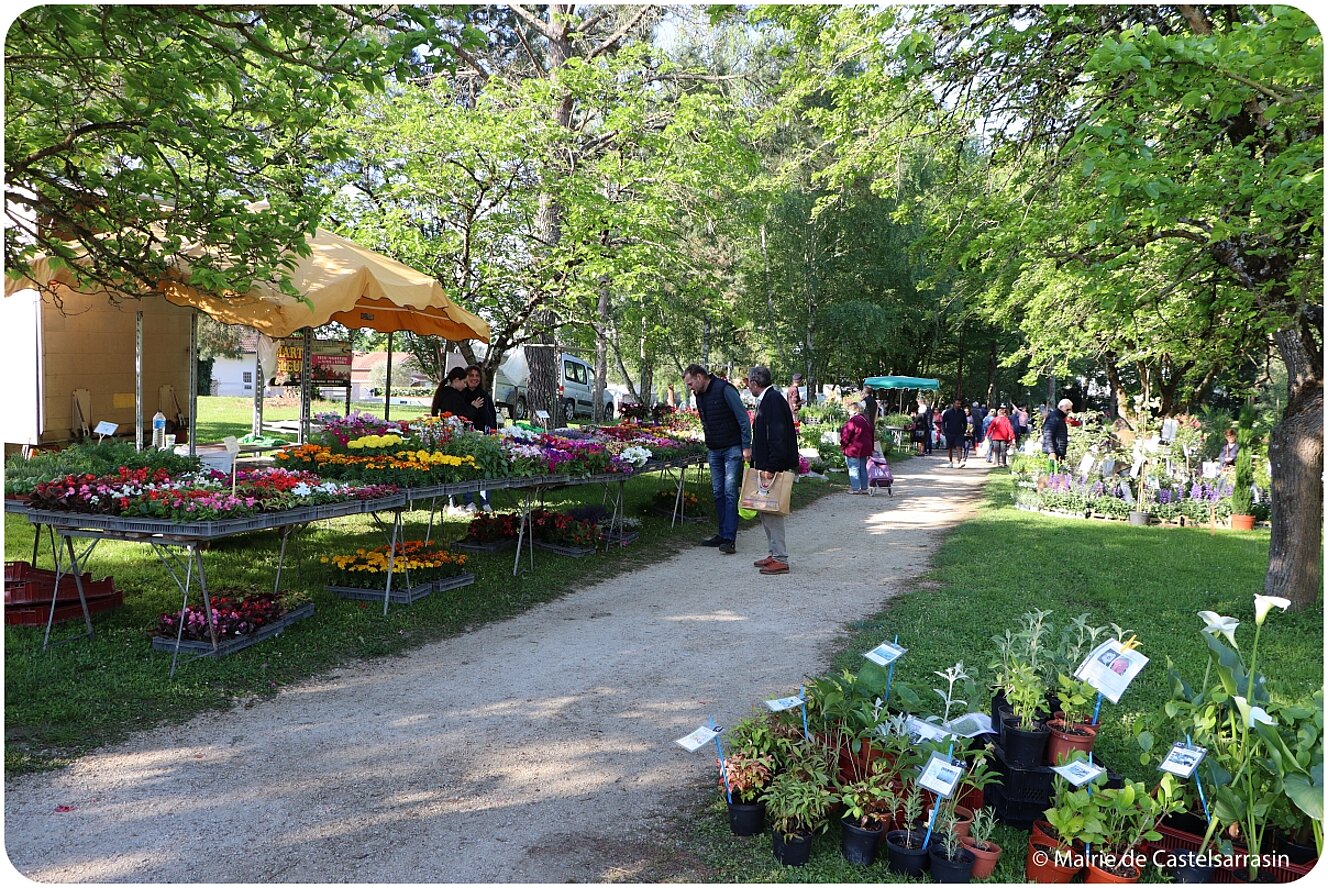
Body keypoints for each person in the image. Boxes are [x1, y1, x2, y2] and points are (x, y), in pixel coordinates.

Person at [683, 363, 752, 555]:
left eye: (690, 383)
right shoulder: (700, 396)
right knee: (717, 492)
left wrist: (746, 445)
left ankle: (729, 538)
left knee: (730, 492)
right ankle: (722, 533)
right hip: (714, 449)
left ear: (699, 377)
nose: (690, 388)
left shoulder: (724, 390)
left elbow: (743, 418)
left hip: (732, 449)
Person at [747, 365, 799, 574]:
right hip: (767, 463)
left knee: (772, 510)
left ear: (754, 382)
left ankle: (780, 557)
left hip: (773, 465)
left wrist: (771, 467)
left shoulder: (773, 400)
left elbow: (777, 436)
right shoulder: (771, 399)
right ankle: (774, 552)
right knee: (765, 510)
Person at [462, 365, 498, 512]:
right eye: (471, 375)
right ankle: (469, 501)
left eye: (477, 376)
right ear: (466, 377)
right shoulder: (461, 394)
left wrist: (492, 431)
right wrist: (471, 407)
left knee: (485, 467)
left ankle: (485, 501)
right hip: (467, 436)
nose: (475, 378)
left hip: (484, 435)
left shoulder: (484, 395)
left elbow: (491, 415)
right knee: (470, 468)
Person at [840, 398, 875, 494]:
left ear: (854, 411)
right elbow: (871, 434)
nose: (848, 413)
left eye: (849, 411)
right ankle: (864, 488)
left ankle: (855, 488)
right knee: (863, 468)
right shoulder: (866, 420)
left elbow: (846, 435)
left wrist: (843, 445)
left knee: (853, 468)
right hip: (865, 448)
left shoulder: (853, 421)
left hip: (853, 448)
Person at [1042, 397, 1073, 463]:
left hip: (1058, 452)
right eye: (1068, 410)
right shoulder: (1054, 417)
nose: (1069, 412)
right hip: (1054, 453)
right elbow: (1048, 434)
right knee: (1053, 472)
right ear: (1062, 407)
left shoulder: (1059, 417)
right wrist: (1051, 451)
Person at [941, 398, 967, 468]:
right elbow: (943, 422)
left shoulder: (962, 412)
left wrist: (963, 431)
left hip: (959, 433)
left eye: (960, 404)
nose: (959, 405)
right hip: (949, 432)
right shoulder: (948, 412)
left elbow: (965, 423)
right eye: (957, 403)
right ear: (953, 404)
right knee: (950, 448)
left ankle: (960, 461)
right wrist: (943, 431)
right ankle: (950, 461)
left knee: (959, 447)